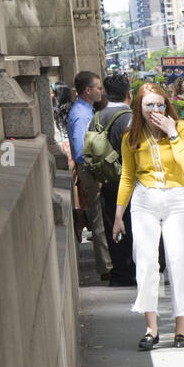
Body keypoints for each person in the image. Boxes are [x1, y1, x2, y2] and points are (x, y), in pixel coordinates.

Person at [112, 83, 184, 350]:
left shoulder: (180, 128)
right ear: (139, 107)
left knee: (178, 259)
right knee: (146, 261)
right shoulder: (131, 137)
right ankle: (151, 328)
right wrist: (118, 216)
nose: (156, 109)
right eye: (149, 105)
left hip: (175, 198)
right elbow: (127, 176)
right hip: (144, 199)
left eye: (160, 104)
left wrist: (172, 132)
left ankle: (180, 329)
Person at [68, 70, 113, 280]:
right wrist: (95, 171)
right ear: (88, 90)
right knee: (99, 218)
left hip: (92, 169)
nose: (101, 91)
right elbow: (79, 150)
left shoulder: (86, 110)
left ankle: (107, 263)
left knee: (101, 216)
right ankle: (106, 267)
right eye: (98, 88)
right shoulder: (81, 114)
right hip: (90, 170)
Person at [96, 74, 137, 288]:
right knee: (130, 225)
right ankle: (129, 271)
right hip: (127, 181)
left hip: (106, 181)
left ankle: (120, 272)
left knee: (113, 225)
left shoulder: (98, 116)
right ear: (129, 94)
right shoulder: (127, 117)